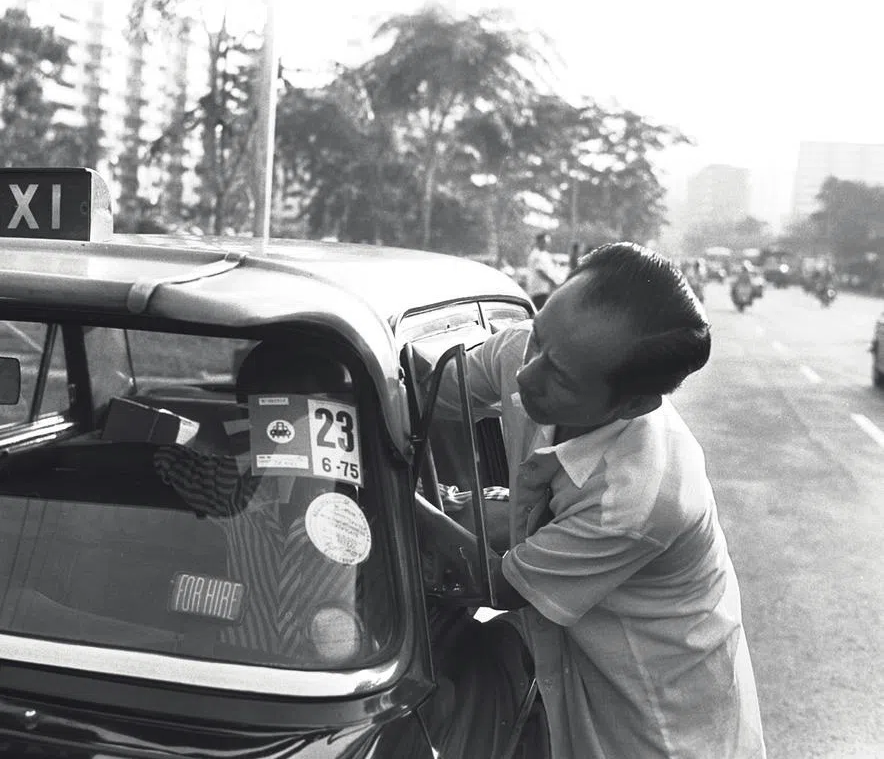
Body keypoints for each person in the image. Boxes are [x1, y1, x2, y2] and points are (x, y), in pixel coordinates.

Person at [433, 242, 766, 758]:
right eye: (539, 337)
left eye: (558, 377)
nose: (525, 376)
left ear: (634, 404)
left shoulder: (639, 499)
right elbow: (428, 396)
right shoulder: (534, 352)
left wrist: (376, 522)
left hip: (661, 725)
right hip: (577, 672)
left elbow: (503, 585)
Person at [151, 342, 380, 662]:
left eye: (310, 409)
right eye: (280, 410)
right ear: (256, 418)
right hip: (245, 664)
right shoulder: (233, 480)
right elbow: (167, 458)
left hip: (337, 676)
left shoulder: (371, 488)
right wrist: (218, 434)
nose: (297, 424)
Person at [526, 232, 560, 309]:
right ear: (538, 242)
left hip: (546, 289)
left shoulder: (545, 255)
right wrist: (552, 281)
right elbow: (540, 272)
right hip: (538, 290)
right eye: (543, 242)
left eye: (547, 242)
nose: (545, 244)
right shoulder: (536, 255)